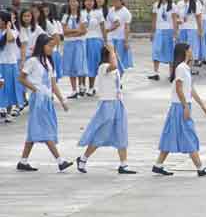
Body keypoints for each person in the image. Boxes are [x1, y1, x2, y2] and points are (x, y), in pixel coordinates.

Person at [152, 43, 206, 177]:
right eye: (190, 49)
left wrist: (202, 105)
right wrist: (185, 107)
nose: (192, 51)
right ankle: (200, 167)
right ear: (185, 52)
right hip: (180, 106)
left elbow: (190, 89)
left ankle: (158, 165)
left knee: (171, 135)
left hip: (182, 105)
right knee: (189, 135)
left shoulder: (185, 68)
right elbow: (179, 88)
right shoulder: (181, 68)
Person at [16, 34, 72, 172]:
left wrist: (62, 100)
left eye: (53, 46)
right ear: (42, 46)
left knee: (35, 129)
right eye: (49, 46)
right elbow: (21, 78)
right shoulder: (33, 61)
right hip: (38, 99)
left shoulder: (48, 62)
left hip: (47, 100)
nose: (51, 49)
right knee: (45, 128)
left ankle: (23, 161)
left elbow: (53, 84)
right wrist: (35, 89)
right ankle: (60, 161)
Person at [77, 44, 136, 174]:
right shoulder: (103, 67)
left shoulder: (114, 69)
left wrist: (115, 54)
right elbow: (114, 66)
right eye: (113, 53)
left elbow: (120, 68)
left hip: (117, 103)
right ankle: (83, 159)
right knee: (101, 134)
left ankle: (124, 164)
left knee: (121, 132)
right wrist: (112, 52)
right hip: (107, 104)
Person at [148, 0, 177, 81]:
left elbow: (174, 20)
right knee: (156, 51)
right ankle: (155, 73)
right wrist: (152, 32)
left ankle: (171, 74)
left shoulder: (173, 6)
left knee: (170, 52)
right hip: (159, 31)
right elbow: (154, 20)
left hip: (169, 31)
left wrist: (175, 33)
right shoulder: (156, 5)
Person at [62, 0, 88, 99]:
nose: (73, 3)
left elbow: (83, 31)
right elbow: (64, 32)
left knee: (79, 63)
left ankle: (81, 85)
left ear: (78, 3)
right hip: (69, 43)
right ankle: (73, 90)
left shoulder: (82, 15)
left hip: (79, 42)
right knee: (70, 65)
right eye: (71, 1)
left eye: (75, 1)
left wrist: (71, 32)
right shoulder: (65, 16)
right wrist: (76, 31)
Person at [0, 11, 22, 123]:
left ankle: (8, 112)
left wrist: (9, 27)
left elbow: (9, 39)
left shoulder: (13, 32)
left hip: (9, 64)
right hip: (0, 64)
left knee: (8, 88)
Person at [82, 0, 106, 96]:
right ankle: (82, 86)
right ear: (83, 2)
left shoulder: (98, 13)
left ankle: (91, 87)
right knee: (82, 62)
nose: (89, 2)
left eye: (91, 1)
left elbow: (103, 28)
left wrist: (105, 41)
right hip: (82, 40)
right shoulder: (80, 13)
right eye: (87, 0)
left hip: (94, 40)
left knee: (92, 63)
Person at [177, 0, 204, 75]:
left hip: (192, 28)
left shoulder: (195, 3)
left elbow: (198, 17)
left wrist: (200, 30)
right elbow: (176, 16)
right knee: (183, 48)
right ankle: (183, 67)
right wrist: (178, 22)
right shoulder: (179, 3)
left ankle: (190, 67)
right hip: (182, 28)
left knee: (191, 48)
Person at [106, 0, 133, 77]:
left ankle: (118, 80)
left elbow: (126, 28)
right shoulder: (111, 10)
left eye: (117, 1)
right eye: (113, 1)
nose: (115, 3)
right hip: (111, 38)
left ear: (121, 1)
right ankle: (112, 78)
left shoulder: (126, 12)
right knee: (111, 60)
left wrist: (126, 41)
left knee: (119, 61)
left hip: (120, 39)